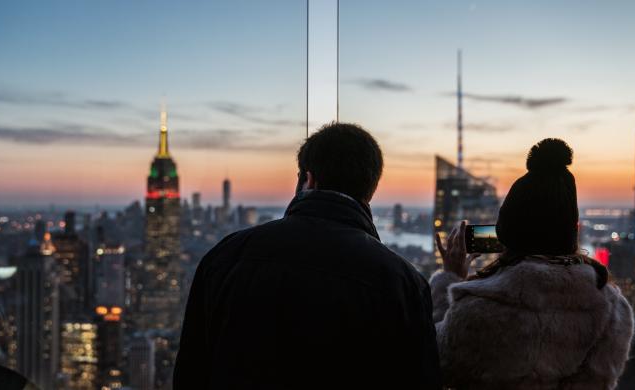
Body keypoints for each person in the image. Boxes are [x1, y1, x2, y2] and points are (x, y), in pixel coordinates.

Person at [174, 123, 441, 389]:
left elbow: (191, 372)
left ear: (309, 179)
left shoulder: (226, 256)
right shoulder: (402, 283)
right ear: (369, 190)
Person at [433, 138, 634, 389]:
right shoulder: (611, 309)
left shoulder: (479, 309)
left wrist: (449, 279)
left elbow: (437, 359)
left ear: (506, 232)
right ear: (572, 229)